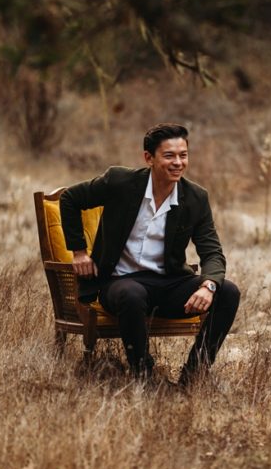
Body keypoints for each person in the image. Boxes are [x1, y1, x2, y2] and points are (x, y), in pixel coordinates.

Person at [60, 123, 241, 386]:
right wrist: (79, 252)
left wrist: (209, 285)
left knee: (228, 292)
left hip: (169, 283)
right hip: (119, 283)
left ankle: (192, 377)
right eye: (169, 156)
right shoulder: (119, 182)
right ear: (149, 158)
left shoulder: (195, 197)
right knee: (131, 293)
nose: (178, 162)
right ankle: (144, 376)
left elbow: (212, 251)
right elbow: (70, 199)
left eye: (183, 155)